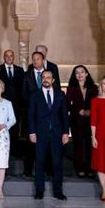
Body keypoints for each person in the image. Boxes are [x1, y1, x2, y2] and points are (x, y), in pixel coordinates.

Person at [28, 70, 69, 200]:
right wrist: (32, 132)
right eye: (43, 77)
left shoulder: (60, 94)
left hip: (57, 134)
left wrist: (65, 132)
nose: (46, 79)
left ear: (53, 80)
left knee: (57, 163)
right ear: (41, 80)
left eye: (48, 77)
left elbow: (64, 115)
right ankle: (39, 191)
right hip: (40, 134)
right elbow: (30, 115)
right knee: (39, 162)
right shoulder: (35, 95)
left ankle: (58, 191)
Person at [66, 65, 98, 177]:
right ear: (74, 76)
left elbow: (97, 103)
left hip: (91, 120)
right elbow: (66, 105)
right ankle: (79, 168)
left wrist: (90, 111)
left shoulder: (93, 88)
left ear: (86, 74)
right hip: (76, 120)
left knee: (90, 144)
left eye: (82, 72)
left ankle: (90, 168)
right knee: (78, 144)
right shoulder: (71, 88)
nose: (79, 75)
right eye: (77, 73)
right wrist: (78, 110)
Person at [21, 51, 47, 177]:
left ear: (43, 60)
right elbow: (23, 94)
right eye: (34, 59)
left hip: (46, 116)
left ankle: (46, 170)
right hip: (31, 115)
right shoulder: (27, 75)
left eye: (38, 59)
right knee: (30, 144)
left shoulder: (49, 75)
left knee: (46, 143)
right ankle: (27, 171)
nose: (36, 61)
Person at [0, 49, 24, 157]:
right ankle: (4, 151)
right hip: (3, 105)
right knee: (4, 128)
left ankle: (15, 152)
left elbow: (22, 88)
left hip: (17, 105)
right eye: (7, 56)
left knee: (15, 128)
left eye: (11, 56)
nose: (9, 58)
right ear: (4, 57)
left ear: (14, 57)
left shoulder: (20, 70)